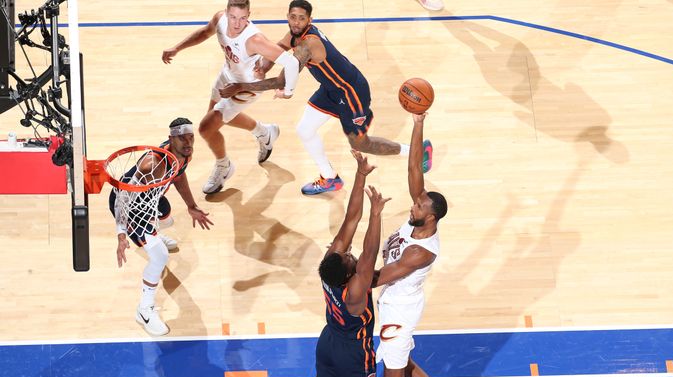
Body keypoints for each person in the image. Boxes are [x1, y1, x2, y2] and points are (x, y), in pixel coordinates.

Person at [219, 0, 433, 196]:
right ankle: (330, 177)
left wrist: (241, 86)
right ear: (288, 16)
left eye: (301, 18)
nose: (296, 21)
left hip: (351, 93)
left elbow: (282, 81)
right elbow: (280, 49)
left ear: (309, 20)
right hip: (331, 89)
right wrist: (263, 67)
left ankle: (416, 151)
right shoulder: (294, 34)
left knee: (362, 144)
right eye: (293, 16)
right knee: (304, 129)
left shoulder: (308, 44)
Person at [373, 112, 475, 377]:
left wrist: (344, 283)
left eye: (418, 205)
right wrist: (417, 123)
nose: (412, 204)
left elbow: (382, 275)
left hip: (398, 313)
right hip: (394, 307)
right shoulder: (419, 219)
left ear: (429, 217)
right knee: (407, 367)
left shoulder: (421, 251)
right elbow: (414, 166)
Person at [288, 150, 390, 377]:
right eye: (350, 261)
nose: (347, 254)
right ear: (350, 272)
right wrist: (377, 213)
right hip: (352, 353)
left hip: (327, 342)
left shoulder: (329, 264)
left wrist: (360, 175)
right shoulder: (356, 290)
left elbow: (350, 220)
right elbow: (369, 250)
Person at [161, 0, 300, 195]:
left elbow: (292, 63)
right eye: (233, 17)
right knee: (214, 121)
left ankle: (224, 165)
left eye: (243, 18)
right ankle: (264, 132)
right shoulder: (220, 19)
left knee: (206, 127)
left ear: (248, 16)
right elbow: (204, 32)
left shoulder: (254, 40)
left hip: (247, 87)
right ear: (226, 13)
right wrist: (177, 48)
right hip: (227, 76)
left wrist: (288, 91)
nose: (237, 24)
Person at [111, 118, 213, 336]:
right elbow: (123, 198)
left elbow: (179, 175)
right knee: (160, 256)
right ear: (170, 139)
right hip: (130, 206)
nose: (188, 142)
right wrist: (121, 234)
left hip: (151, 199)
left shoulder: (184, 154)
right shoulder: (152, 164)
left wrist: (191, 206)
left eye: (190, 137)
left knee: (167, 218)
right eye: (182, 138)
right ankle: (144, 311)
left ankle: (152, 235)